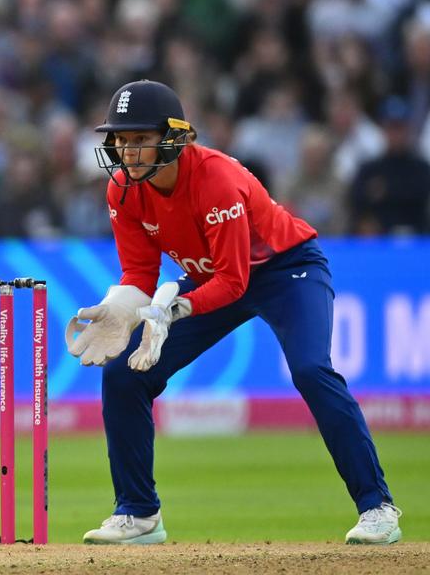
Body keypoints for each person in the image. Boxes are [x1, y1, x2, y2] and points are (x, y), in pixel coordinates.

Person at [64, 80, 401, 545]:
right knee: (123, 375)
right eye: (122, 140)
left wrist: (171, 308)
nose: (129, 152)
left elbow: (236, 281)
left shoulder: (215, 179)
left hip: (286, 269)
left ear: (174, 138)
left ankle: (377, 507)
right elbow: (139, 273)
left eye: (141, 140)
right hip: (211, 277)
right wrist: (117, 307)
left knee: (310, 370)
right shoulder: (122, 189)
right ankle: (139, 514)